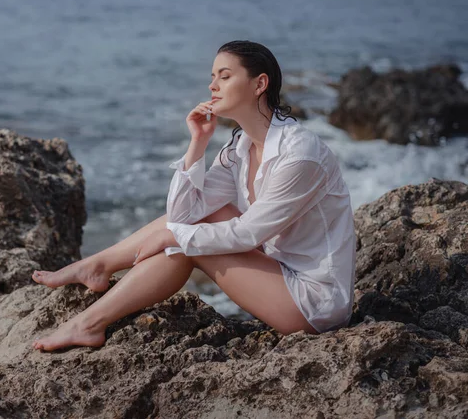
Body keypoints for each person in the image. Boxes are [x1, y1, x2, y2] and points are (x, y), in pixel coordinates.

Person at [31, 40, 356, 352]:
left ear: (260, 84)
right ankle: (96, 277)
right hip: (276, 273)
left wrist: (175, 235)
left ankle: (91, 309)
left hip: (313, 304)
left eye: (225, 76)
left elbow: (247, 234)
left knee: (184, 242)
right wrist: (197, 143)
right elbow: (183, 212)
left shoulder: (300, 154)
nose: (213, 86)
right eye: (212, 77)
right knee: (188, 232)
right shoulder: (239, 148)